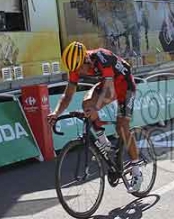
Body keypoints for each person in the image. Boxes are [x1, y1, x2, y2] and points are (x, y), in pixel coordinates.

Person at [47, 41, 143, 192]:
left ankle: (137, 170)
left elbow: (110, 92)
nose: (78, 72)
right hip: (107, 84)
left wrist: (96, 108)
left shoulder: (101, 57)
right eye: (75, 70)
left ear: (87, 59)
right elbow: (68, 95)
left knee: (122, 126)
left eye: (79, 68)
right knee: (87, 104)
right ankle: (103, 141)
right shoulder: (75, 66)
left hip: (125, 85)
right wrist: (56, 112)